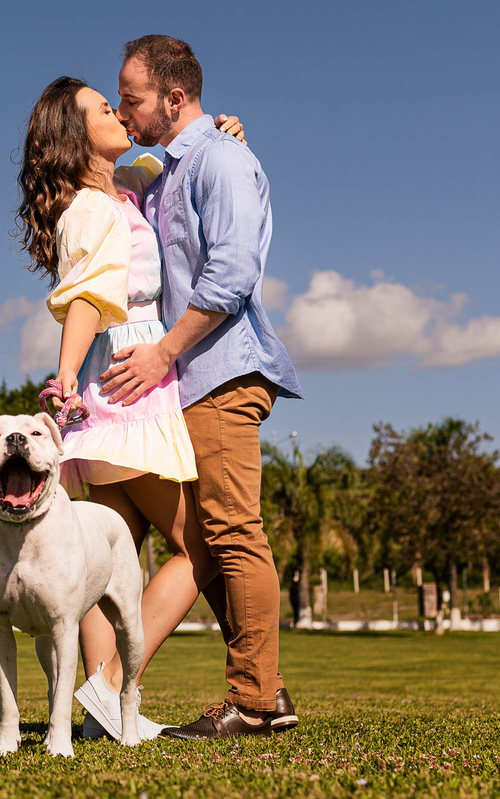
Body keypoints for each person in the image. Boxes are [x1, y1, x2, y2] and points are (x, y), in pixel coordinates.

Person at [14, 76, 245, 741]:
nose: (117, 113)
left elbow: (163, 157)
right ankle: (111, 688)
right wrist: (63, 375)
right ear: (73, 135)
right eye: (101, 109)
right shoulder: (92, 208)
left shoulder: (121, 190)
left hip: (105, 389)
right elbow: (86, 294)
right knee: (198, 547)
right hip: (127, 381)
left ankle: (97, 719)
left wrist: (218, 137)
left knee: (104, 567)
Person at [99, 34, 303, 740]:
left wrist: (161, 353)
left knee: (232, 532)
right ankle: (264, 690)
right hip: (184, 382)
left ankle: (252, 700)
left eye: (131, 98)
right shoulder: (171, 168)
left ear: (174, 98)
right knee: (208, 539)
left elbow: (232, 274)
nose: (123, 111)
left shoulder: (219, 158)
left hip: (219, 372)